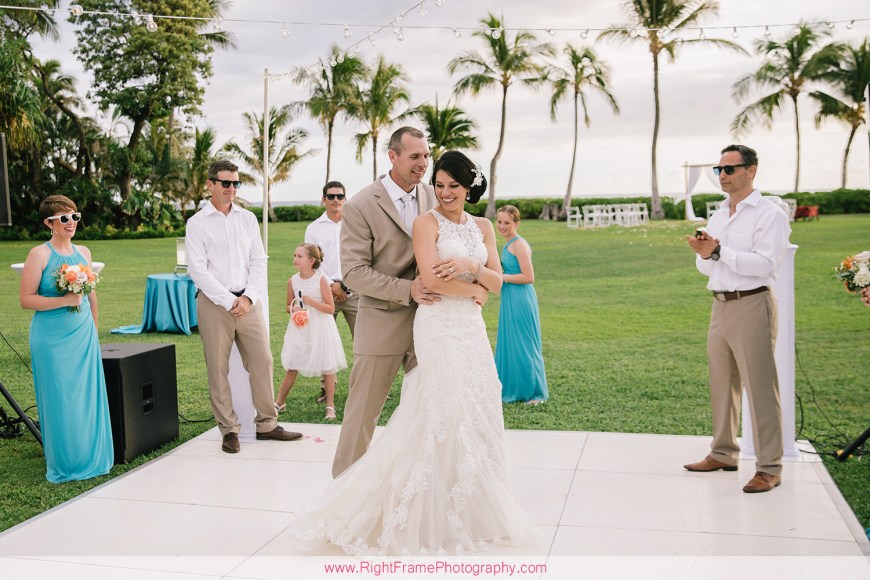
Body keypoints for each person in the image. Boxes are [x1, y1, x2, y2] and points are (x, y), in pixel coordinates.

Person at [291, 150, 539, 555]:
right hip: (437, 326)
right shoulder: (426, 221)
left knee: (475, 409)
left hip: (471, 331)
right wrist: (476, 288)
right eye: (439, 184)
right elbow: (432, 282)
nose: (444, 192)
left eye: (453, 185)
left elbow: (497, 281)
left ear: (469, 187)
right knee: (434, 413)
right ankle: (381, 506)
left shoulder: (483, 226)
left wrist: (472, 268)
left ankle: (464, 510)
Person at [331, 126, 439, 478]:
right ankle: (342, 491)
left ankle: (421, 488)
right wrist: (407, 290)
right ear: (392, 156)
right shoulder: (361, 204)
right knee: (362, 415)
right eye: (415, 156)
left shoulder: (435, 195)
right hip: (381, 322)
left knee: (432, 411)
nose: (423, 163)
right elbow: (353, 272)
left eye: (426, 156)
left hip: (432, 323)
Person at [684, 144, 791, 493]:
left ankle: (769, 467)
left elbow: (765, 264)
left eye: (730, 169)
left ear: (751, 170)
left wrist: (718, 251)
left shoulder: (769, 214)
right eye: (719, 169)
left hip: (752, 303)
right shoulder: (718, 215)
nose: (723, 176)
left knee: (760, 387)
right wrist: (706, 254)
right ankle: (723, 452)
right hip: (720, 305)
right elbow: (705, 267)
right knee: (722, 384)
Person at [185, 159, 302, 454]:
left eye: (236, 183)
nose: (232, 188)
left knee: (263, 361)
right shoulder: (196, 223)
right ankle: (229, 430)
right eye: (226, 183)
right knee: (217, 368)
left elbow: (258, 261)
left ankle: (267, 424)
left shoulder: (248, 219)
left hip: (249, 303)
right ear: (210, 184)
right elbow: (197, 270)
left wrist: (248, 298)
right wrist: (228, 300)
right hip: (214, 304)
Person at [19, 195, 113, 482]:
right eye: (64, 218)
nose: (71, 222)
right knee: (61, 397)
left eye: (75, 216)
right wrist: (64, 300)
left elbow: (92, 296)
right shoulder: (39, 255)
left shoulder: (83, 251)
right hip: (51, 339)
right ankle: (67, 462)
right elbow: (26, 300)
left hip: (83, 335)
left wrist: (93, 331)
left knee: (86, 396)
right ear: (49, 223)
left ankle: (91, 456)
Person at [274, 243, 347, 420]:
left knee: (328, 366)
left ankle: (330, 406)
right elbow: (287, 305)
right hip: (301, 327)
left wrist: (312, 303)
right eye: (295, 255)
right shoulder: (292, 281)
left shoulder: (321, 279)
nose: (295, 259)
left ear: (311, 260)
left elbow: (330, 308)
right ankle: (279, 402)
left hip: (321, 327)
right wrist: (294, 309)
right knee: (293, 364)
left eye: (300, 256)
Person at [304, 180, 358, 404]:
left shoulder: (356, 224)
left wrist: (344, 285)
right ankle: (327, 389)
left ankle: (364, 388)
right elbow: (312, 262)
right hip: (325, 293)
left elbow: (362, 256)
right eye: (331, 196)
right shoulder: (314, 228)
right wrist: (332, 286)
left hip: (355, 290)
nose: (336, 200)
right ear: (323, 199)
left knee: (364, 342)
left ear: (345, 198)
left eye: (340, 196)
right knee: (324, 343)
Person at [495, 205, 549, 404]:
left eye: (507, 223)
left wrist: (502, 277)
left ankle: (534, 392)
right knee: (512, 342)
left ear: (516, 223)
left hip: (521, 299)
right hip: (510, 297)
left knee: (525, 344)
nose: (502, 226)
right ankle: (513, 388)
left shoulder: (519, 244)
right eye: (499, 222)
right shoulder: (507, 243)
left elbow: (529, 276)